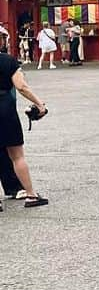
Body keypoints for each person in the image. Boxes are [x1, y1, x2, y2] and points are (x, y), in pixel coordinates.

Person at [0, 50, 48, 206]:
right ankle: (31, 195)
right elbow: (21, 86)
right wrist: (39, 104)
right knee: (17, 155)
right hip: (4, 108)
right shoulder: (7, 60)